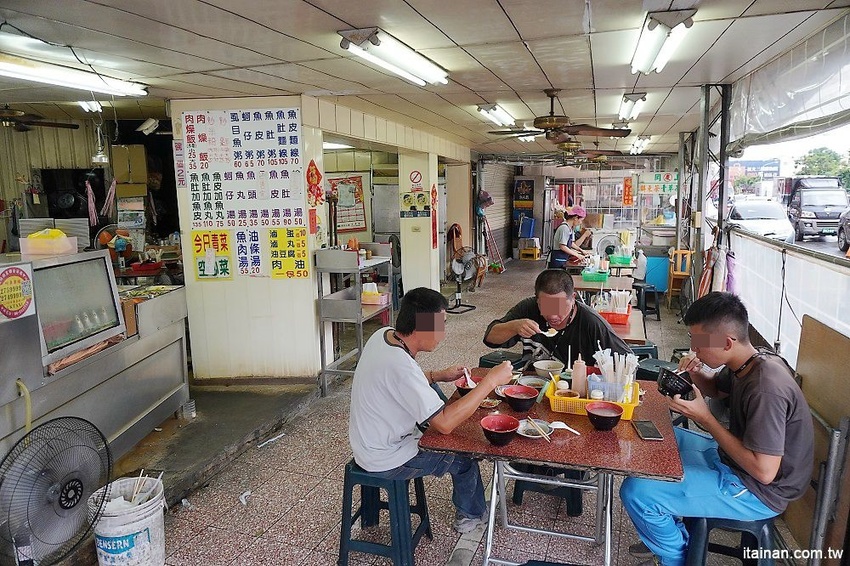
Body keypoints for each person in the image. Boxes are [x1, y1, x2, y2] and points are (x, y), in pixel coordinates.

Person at [620, 292, 813, 566]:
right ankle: (669, 524)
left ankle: (674, 556)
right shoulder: (749, 362)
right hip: (735, 462)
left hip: (758, 490)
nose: (694, 350)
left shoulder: (766, 388)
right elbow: (717, 388)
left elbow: (764, 472)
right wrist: (696, 374)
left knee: (635, 491)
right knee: (659, 437)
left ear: (726, 342)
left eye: (700, 344)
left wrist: (706, 419)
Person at [349, 287, 513, 533]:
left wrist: (438, 375)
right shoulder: (400, 365)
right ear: (421, 328)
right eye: (440, 326)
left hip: (368, 442)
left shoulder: (384, 336)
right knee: (463, 457)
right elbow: (445, 424)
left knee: (435, 392)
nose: (443, 334)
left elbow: (400, 382)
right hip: (386, 455)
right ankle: (471, 515)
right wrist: (491, 380)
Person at [483, 269, 631, 366]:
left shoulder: (591, 323)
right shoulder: (529, 308)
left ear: (573, 298)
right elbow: (490, 338)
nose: (553, 315)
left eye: (559, 306)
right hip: (534, 385)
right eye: (546, 306)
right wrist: (514, 326)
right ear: (537, 300)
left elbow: (627, 361)